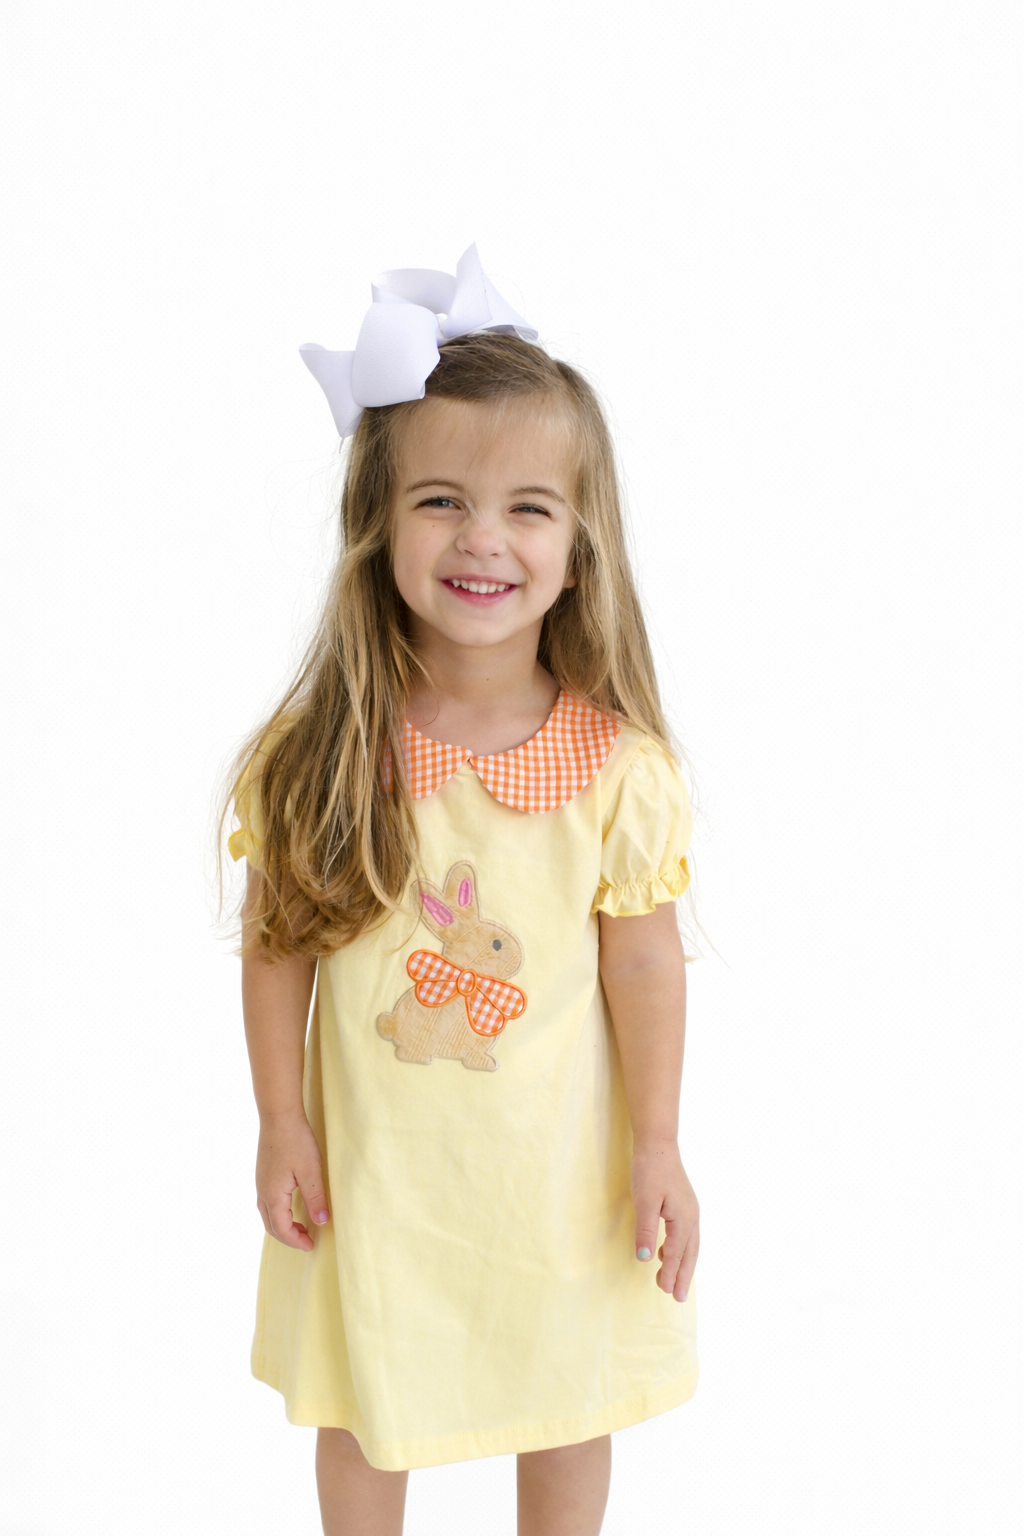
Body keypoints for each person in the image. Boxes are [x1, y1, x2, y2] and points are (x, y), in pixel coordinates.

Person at [224, 246, 700, 1536]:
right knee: (363, 1404)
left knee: (569, 1401)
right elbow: (276, 947)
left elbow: (643, 962)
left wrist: (658, 1144)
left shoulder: (615, 770)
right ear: (378, 524)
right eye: (441, 499)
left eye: (528, 507)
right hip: (379, 1174)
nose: (483, 537)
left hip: (556, 1179)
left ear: (579, 549)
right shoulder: (324, 757)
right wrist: (281, 1122)